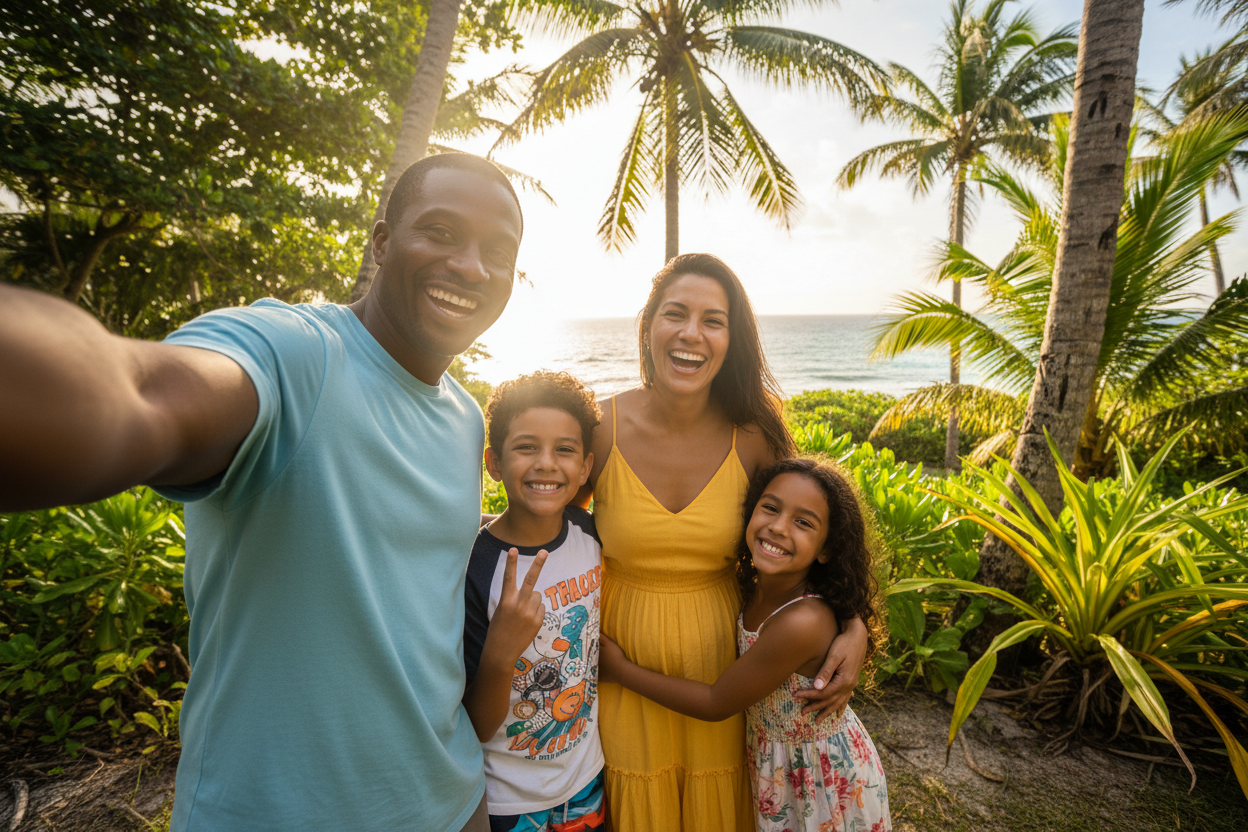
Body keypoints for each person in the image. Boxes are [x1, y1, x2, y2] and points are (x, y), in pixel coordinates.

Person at [0, 154, 524, 832]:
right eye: (442, 232)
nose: (472, 267)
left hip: (450, 802)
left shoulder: (464, 417)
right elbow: (138, 393)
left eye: (498, 252)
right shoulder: (296, 354)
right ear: (382, 242)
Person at [580, 253, 871, 831]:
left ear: (731, 340)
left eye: (713, 320)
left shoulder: (754, 435)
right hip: (616, 658)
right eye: (676, 314)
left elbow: (812, 533)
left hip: (720, 663)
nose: (692, 333)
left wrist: (854, 624)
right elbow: (543, 523)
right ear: (648, 326)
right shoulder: (600, 425)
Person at [599, 458, 891, 832]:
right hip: (780, 766)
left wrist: (620, 670)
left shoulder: (801, 622)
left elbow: (716, 702)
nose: (779, 527)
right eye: (770, 508)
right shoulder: (753, 587)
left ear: (826, 549)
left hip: (820, 780)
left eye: (803, 523)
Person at [463, 370, 608, 832]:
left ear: (585, 467)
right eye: (526, 447)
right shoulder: (475, 567)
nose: (546, 463)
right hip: (508, 801)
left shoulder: (590, 534)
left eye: (564, 449)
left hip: (586, 783)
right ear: (493, 462)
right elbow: (475, 724)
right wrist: (501, 652)